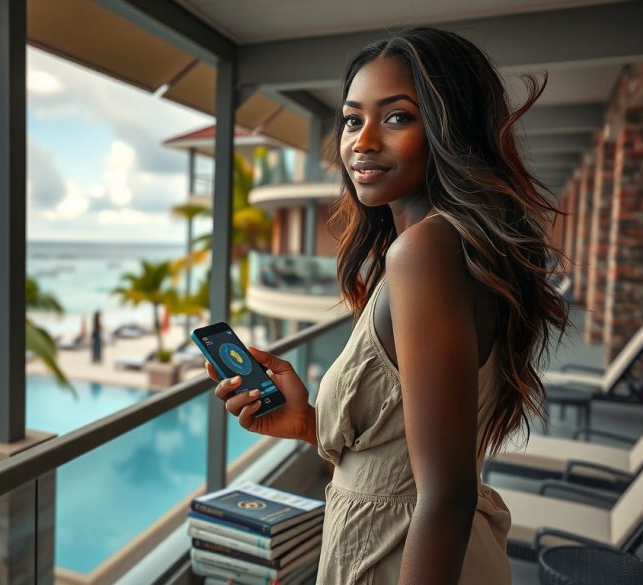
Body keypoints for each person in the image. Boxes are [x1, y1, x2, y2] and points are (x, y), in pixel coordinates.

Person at [208, 28, 568, 585]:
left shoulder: (423, 252)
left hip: (403, 558)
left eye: (397, 117)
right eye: (353, 119)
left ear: (453, 131)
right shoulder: (450, 248)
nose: (363, 141)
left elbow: (444, 495)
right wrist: (307, 423)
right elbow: (409, 451)